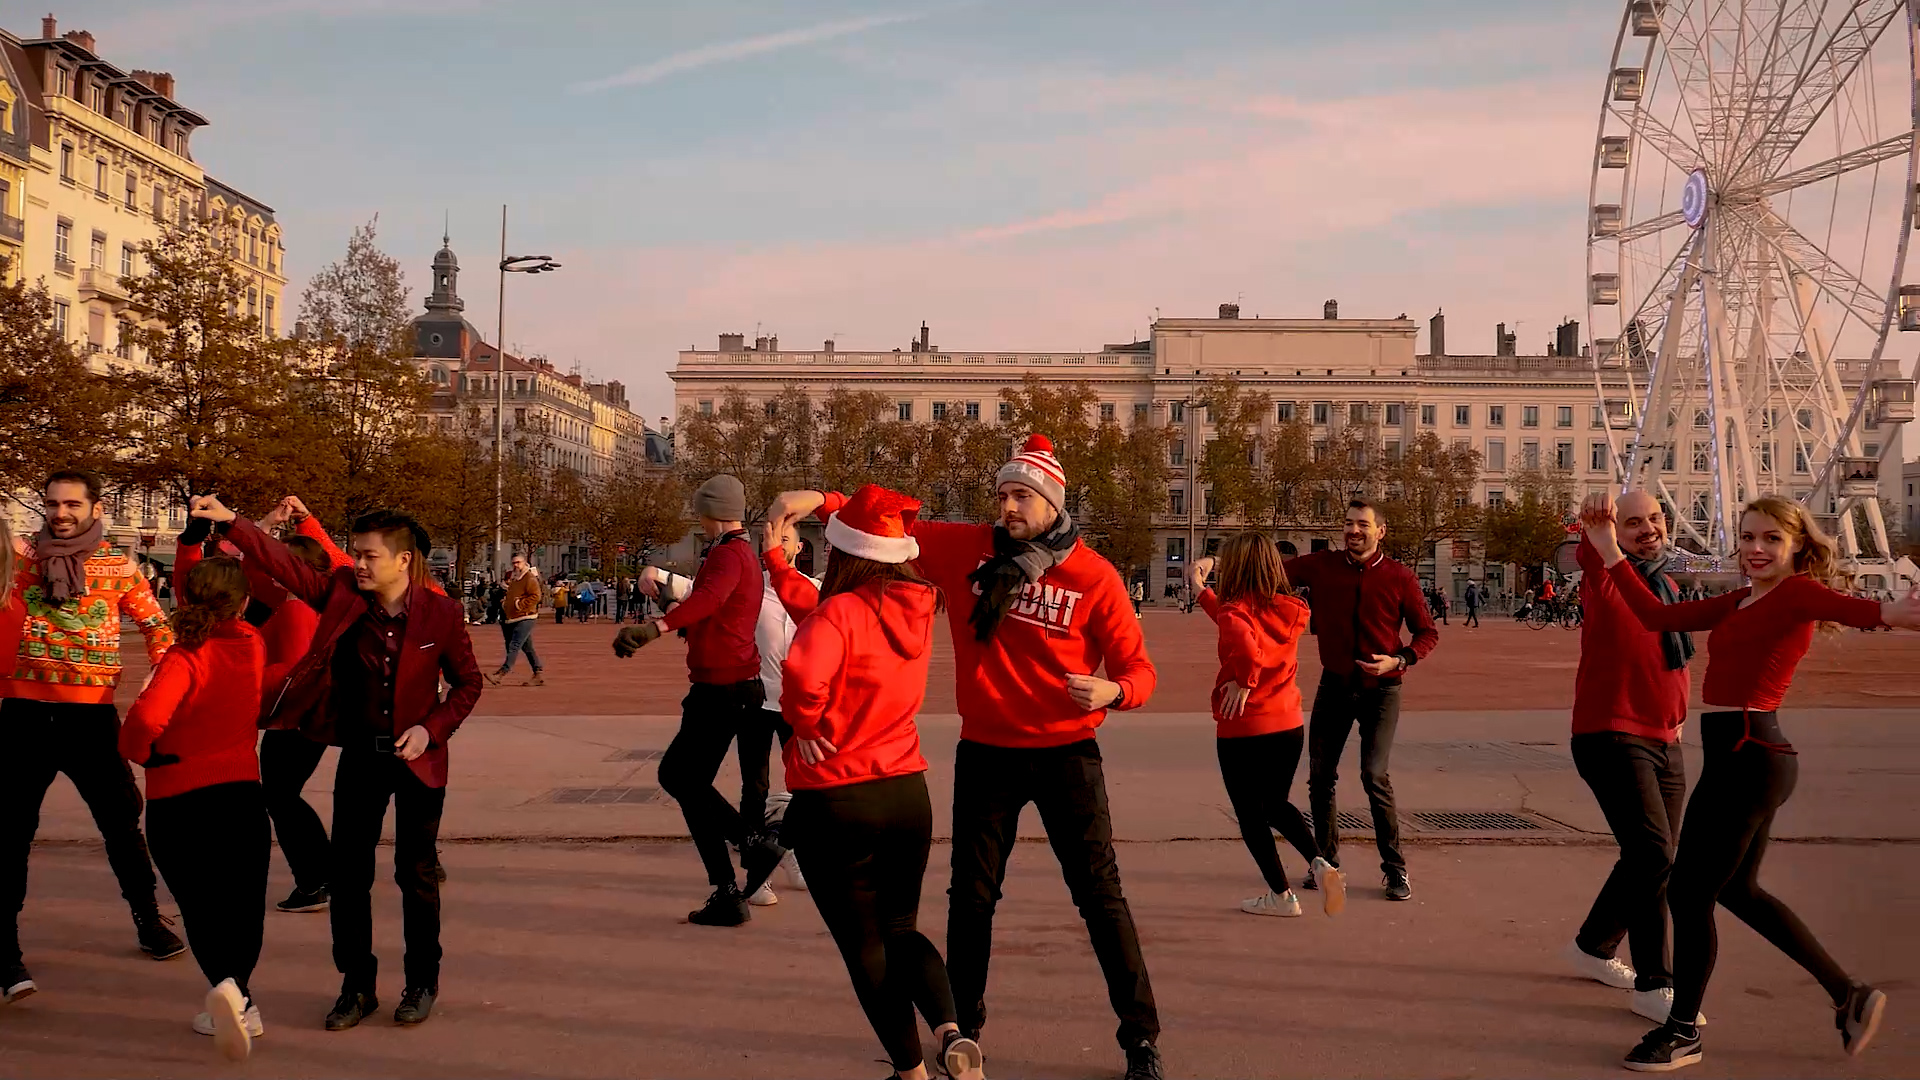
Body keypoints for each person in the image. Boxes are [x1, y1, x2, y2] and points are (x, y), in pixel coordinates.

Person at [768, 433, 1165, 1080]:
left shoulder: (1094, 577)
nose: (1009, 506)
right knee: (972, 898)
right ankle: (964, 1028)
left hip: (1068, 753)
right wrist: (819, 498)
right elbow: (888, 519)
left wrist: (1116, 690)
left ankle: (1140, 1038)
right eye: (1004, 493)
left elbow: (1140, 672)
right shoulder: (967, 548)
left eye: (1023, 495)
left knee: (1100, 896)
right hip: (987, 752)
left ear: (1052, 501)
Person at [1583, 493, 1920, 1071]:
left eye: (1771, 539)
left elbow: (1870, 612)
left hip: (1751, 755)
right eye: (1747, 537)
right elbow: (1658, 618)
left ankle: (1683, 1030)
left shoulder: (1799, 594)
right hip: (1741, 755)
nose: (1757, 549)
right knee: (1737, 891)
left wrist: (1898, 611)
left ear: (1796, 547)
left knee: (1690, 893)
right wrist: (1609, 548)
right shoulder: (1740, 600)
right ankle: (1848, 994)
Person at [193, 495, 483, 1032]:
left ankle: (421, 982)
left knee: (415, 875)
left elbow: (469, 682)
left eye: (370, 556)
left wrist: (432, 728)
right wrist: (233, 521)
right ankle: (356, 987)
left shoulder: (442, 612)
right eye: (356, 554)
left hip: (420, 762)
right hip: (360, 759)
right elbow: (285, 564)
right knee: (350, 879)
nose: (360, 564)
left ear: (403, 560)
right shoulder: (342, 594)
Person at [766, 485, 986, 1080]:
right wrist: (778, 563)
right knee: (902, 928)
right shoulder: (915, 608)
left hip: (836, 795)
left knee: (864, 946)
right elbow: (813, 614)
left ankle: (910, 1070)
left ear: (842, 553)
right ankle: (951, 1031)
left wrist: (805, 720)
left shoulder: (838, 612)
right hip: (905, 790)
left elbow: (803, 667)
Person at [2, 470, 183, 1008]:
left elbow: (158, 628)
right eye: (53, 503)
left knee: (122, 824)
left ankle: (148, 918)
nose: (61, 512)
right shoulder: (18, 559)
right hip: (23, 717)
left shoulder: (119, 567)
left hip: (90, 719)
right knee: (10, 833)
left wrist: (161, 679)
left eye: (72, 504)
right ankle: (6, 952)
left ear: (95, 508)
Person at [116, 557, 269, 1060]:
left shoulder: (184, 657)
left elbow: (145, 720)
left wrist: (141, 753)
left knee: (201, 905)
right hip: (242, 792)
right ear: (244, 603)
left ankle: (229, 989)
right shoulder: (251, 643)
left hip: (180, 795)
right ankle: (240, 997)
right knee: (243, 902)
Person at [614, 475, 778, 927]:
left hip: (723, 688)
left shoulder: (728, 554)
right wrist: (671, 607)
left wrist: (655, 629)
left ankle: (750, 844)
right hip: (727, 685)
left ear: (711, 511)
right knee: (691, 787)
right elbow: (713, 612)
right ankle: (728, 888)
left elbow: (709, 598)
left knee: (678, 777)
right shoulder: (731, 553)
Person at [1566, 491, 1700, 1029]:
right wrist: (1596, 529)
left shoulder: (1665, 582)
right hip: (1612, 734)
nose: (1648, 529)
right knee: (1653, 857)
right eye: (1634, 522)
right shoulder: (1605, 572)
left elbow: (1668, 661)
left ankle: (1593, 947)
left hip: (1665, 738)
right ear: (1615, 530)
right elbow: (1591, 552)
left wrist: (1677, 717)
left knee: (1650, 856)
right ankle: (1654, 983)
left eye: (1655, 519)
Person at [176, 497, 347, 918]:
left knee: (278, 796)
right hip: (304, 711)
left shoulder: (285, 601)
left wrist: (249, 690)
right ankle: (323, 874)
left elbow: (211, 579)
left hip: (292, 713)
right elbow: (234, 563)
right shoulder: (311, 596)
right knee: (281, 795)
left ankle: (318, 876)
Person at [643, 512, 817, 906]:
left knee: (804, 789)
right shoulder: (750, 582)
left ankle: (787, 854)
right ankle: (759, 872)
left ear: (799, 546)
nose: (774, 544)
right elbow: (694, 590)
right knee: (753, 788)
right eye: (768, 538)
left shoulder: (812, 591)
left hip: (798, 704)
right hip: (757, 700)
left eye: (783, 538)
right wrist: (654, 573)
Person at [1283, 497, 1439, 902]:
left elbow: (1427, 633)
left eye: (1363, 525)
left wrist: (1399, 660)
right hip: (1334, 685)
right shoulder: (1321, 566)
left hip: (1382, 690)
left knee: (1374, 776)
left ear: (1380, 531)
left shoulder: (1399, 577)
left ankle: (1395, 870)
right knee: (1320, 778)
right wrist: (1216, 566)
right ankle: (1326, 864)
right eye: (1349, 523)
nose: (1353, 531)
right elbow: (1269, 570)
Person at [1189, 541, 1344, 919]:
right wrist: (1201, 591)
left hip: (1243, 724)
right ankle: (1319, 862)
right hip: (1287, 722)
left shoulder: (1235, 613)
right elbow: (1230, 618)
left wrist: (1246, 678)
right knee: (1275, 803)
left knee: (1249, 815)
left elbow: (1243, 640)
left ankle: (1281, 895)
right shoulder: (1290, 610)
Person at [487, 554, 544, 687]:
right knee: (527, 647)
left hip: (526, 616)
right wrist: (506, 603)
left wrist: (519, 604)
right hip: (514, 617)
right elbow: (513, 595)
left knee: (514, 645)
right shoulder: (516, 579)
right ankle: (538, 673)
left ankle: (501, 674)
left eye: (518, 563)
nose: (515, 565)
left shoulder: (529, 578)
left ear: (524, 563)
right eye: (513, 563)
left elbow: (536, 596)